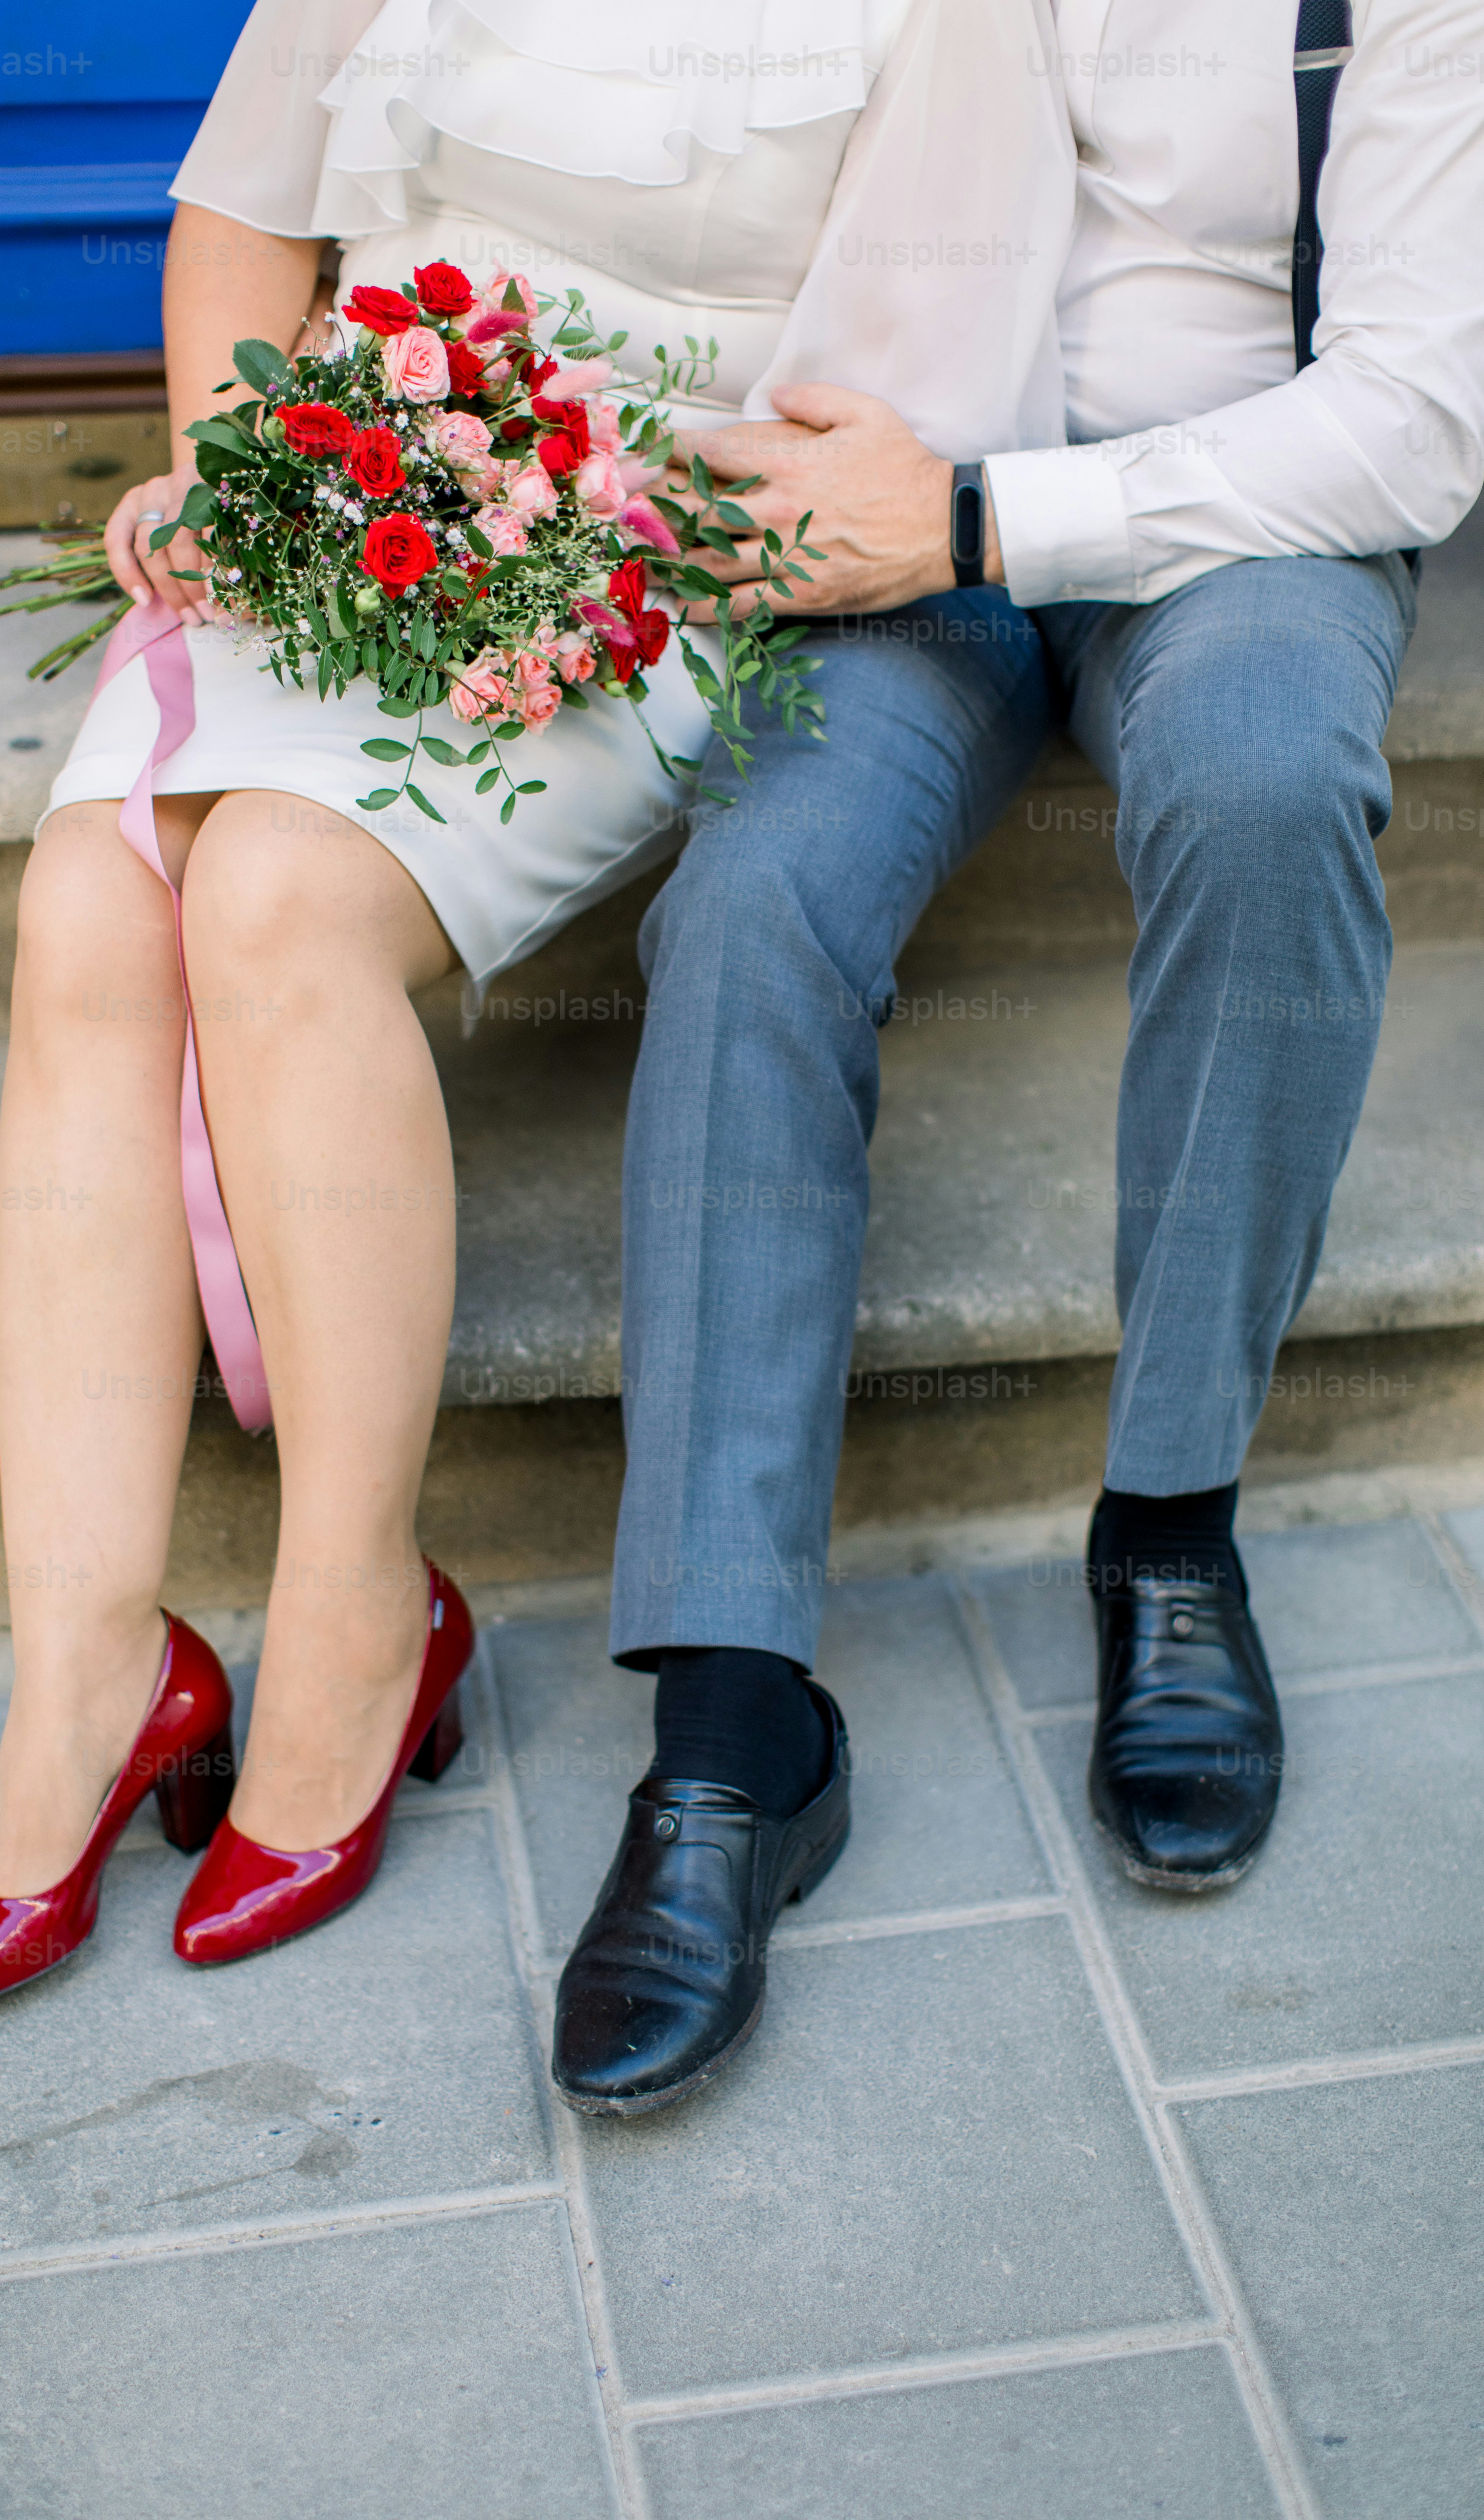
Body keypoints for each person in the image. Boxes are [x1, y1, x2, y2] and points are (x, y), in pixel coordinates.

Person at [0, 0, 925, 2010]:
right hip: (352, 502)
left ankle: (363, 1607)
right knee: (93, 896)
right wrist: (236, 470)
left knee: (274, 893)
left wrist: (599, 526)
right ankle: (92, 1669)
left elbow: (925, 374)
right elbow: (240, 215)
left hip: (658, 551)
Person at [549, 0, 1484, 2114]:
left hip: (1227, 523)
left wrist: (980, 520)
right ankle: (733, 1730)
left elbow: (1418, 414)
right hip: (870, 533)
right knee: (748, 900)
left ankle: (1166, 1531)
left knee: (1264, 795)